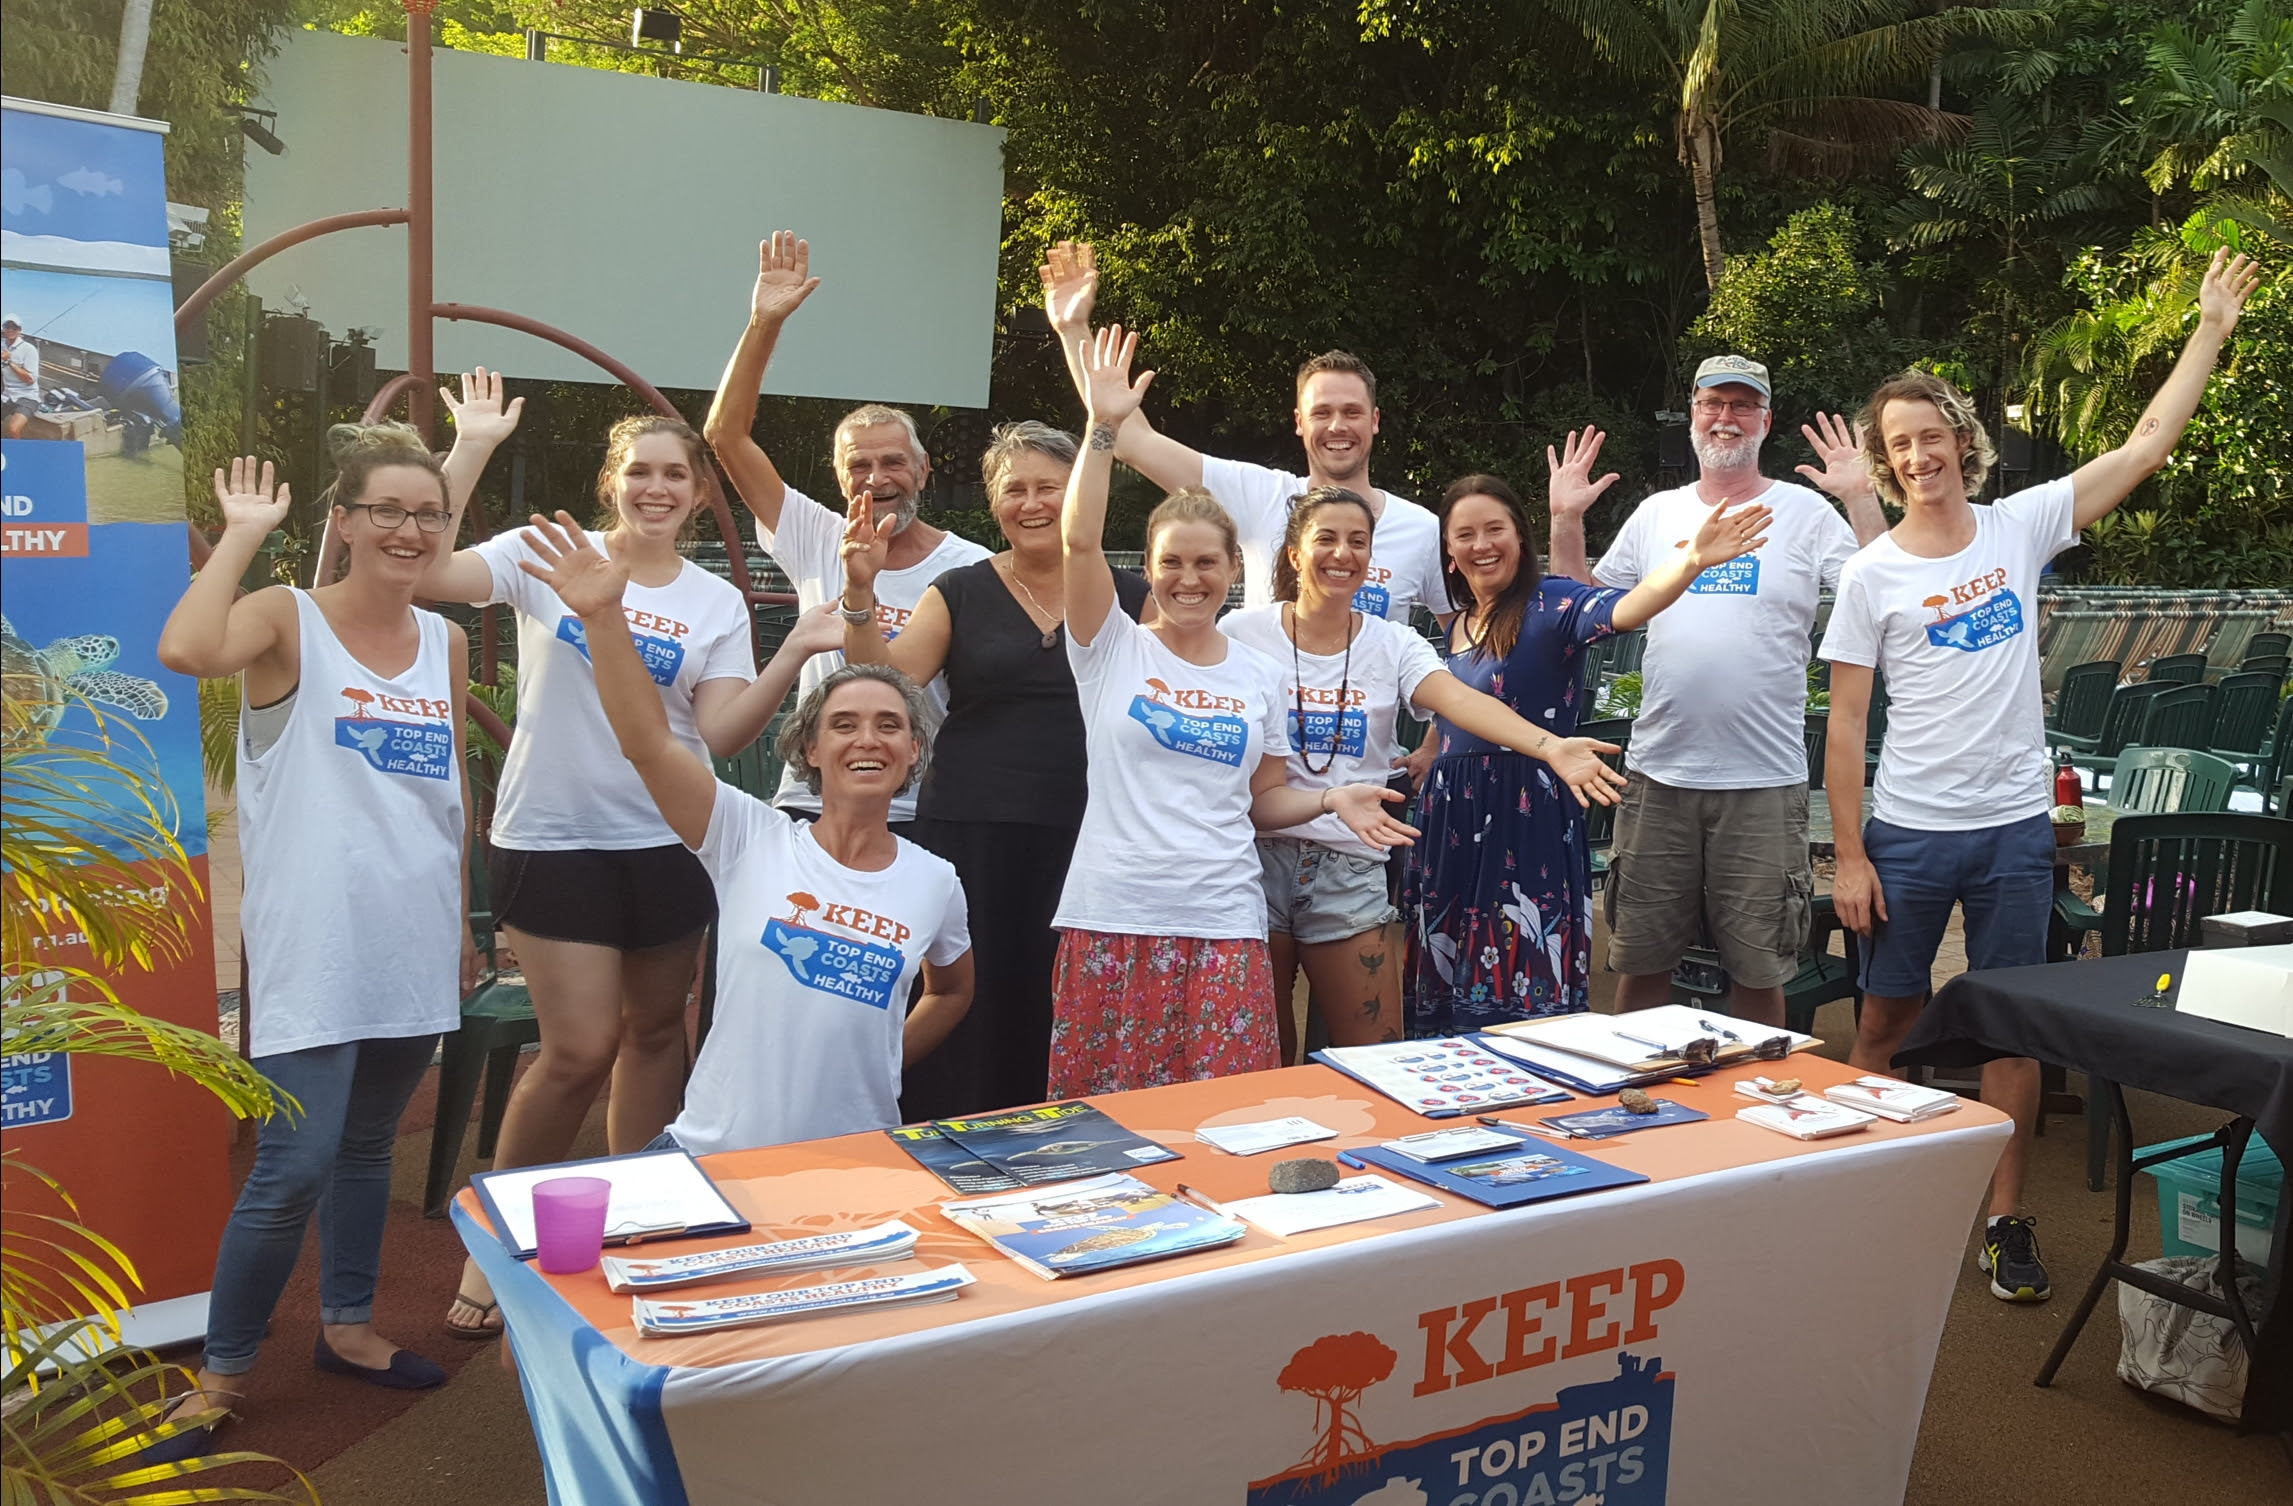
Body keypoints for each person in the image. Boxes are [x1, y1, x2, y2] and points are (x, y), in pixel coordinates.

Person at [1822, 248, 2260, 1305]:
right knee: (1878, 1026)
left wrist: (2206, 328)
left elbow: (2146, 445)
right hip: (1910, 835)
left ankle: (2006, 1221)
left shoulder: (2018, 527)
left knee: (2013, 1024)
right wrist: (1848, 854)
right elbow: (1843, 725)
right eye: (1899, 447)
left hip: (2016, 829)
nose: (1918, 456)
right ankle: (1864, 1197)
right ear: (1885, 467)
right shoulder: (1870, 574)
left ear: (1961, 445)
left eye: (1931, 437)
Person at [407, 378, 800, 1340]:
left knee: (657, 1033)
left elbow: (716, 728)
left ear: (702, 494)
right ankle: (497, 1247)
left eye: (676, 474)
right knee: (577, 1051)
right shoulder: (549, 555)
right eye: (640, 471)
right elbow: (423, 573)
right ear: (611, 481)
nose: (656, 487)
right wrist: (471, 448)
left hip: (669, 844)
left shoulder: (714, 600)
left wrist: (797, 654)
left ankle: (638, 1223)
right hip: (553, 837)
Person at [147, 429, 477, 1455]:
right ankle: (224, 1374)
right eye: (386, 510)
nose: (409, 530)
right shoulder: (287, 620)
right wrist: (243, 538)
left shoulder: (446, 643)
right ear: (343, 520)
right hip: (314, 944)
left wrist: (464, 926)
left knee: (370, 1146)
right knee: (294, 1162)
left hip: (414, 940)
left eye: (427, 513)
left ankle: (349, 1328)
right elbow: (187, 651)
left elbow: (448, 795)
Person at [514, 512, 975, 1153]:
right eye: (843, 724)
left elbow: (951, 990)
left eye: (889, 725)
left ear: (913, 750)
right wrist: (602, 618)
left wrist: (881, 1053)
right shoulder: (747, 837)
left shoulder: (935, 880)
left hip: (857, 1164)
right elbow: (647, 743)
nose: (867, 739)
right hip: (711, 1157)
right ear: (809, 749)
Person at [1052, 324, 1417, 1096]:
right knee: (1110, 1118)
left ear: (1234, 569)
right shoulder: (1111, 647)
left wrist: (1331, 799)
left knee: (1230, 1111)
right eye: (1171, 563)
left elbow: (1265, 800)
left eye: (1206, 562)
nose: (1190, 579)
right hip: (1113, 917)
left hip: (1224, 920)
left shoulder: (1256, 672)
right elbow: (1079, 540)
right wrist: (1102, 426)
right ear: (1146, 572)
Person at [1220, 485, 1628, 1059]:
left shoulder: (1394, 643)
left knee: (1377, 1055)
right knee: (1260, 1053)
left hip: (1349, 864)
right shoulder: (1240, 634)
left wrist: (1549, 747)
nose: (1343, 553)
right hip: (1252, 865)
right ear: (1293, 554)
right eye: (1326, 539)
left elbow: (1461, 700)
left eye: (1358, 542)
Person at [1546, 356, 1887, 1027]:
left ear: (1765, 420)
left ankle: (1756, 1111)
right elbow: (1579, 609)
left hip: (1762, 783)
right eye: (1712, 404)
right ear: (1693, 415)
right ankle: (1631, 1110)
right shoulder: (1655, 514)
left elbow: (1884, 585)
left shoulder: (1804, 513)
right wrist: (1563, 517)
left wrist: (1859, 497)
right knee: (1640, 963)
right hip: (1657, 778)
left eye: (1741, 405)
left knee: (1758, 971)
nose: (1725, 418)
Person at [837, 420, 1153, 1118]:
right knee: (965, 996)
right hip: (968, 830)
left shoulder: (1133, 598)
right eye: (1016, 490)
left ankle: (1061, 1142)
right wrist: (860, 595)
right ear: (993, 503)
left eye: (1051, 488)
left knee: (1062, 995)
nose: (1033, 503)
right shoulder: (959, 590)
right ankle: (943, 1140)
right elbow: (882, 682)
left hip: (1090, 834)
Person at [1409, 473, 1771, 1036]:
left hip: (1525, 813)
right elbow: (1453, 704)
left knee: (1523, 966)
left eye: (1495, 529)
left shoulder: (1552, 601)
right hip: (1451, 817)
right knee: (1448, 971)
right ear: (1449, 554)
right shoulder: (1454, 626)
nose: (1481, 544)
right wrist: (1432, 747)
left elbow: (1626, 609)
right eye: (1465, 535)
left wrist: (1691, 561)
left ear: (1521, 538)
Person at [704, 232, 991, 827]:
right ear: (838, 477)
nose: (877, 478)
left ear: (923, 470)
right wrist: (764, 324)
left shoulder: (972, 565)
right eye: (859, 464)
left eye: (893, 463)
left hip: (924, 806)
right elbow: (726, 435)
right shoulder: (815, 534)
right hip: (813, 799)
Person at [1039, 242, 1448, 629]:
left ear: (1375, 420)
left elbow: (1463, 637)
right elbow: (1132, 442)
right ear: (1299, 422)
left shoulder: (1421, 528)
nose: (1337, 426)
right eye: (1321, 413)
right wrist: (1073, 329)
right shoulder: (1259, 495)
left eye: (1352, 412)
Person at [3, 316, 40, 437]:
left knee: (13, 429)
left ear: (20, 330)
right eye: (7, 327)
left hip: (27, 396)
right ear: (3, 329)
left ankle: (18, 451)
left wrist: (9, 362)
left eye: (15, 327)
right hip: (7, 395)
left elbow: (30, 379)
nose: (11, 330)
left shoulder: (29, 349)